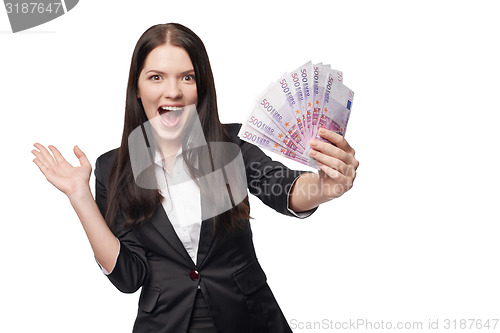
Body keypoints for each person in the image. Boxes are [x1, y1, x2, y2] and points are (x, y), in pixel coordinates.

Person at [32, 23, 359, 333]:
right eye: (156, 77)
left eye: (187, 77)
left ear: (201, 87)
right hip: (165, 323)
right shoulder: (112, 168)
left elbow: (283, 187)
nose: (172, 91)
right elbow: (128, 276)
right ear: (137, 87)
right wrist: (79, 196)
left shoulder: (232, 144)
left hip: (249, 318)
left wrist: (324, 187)